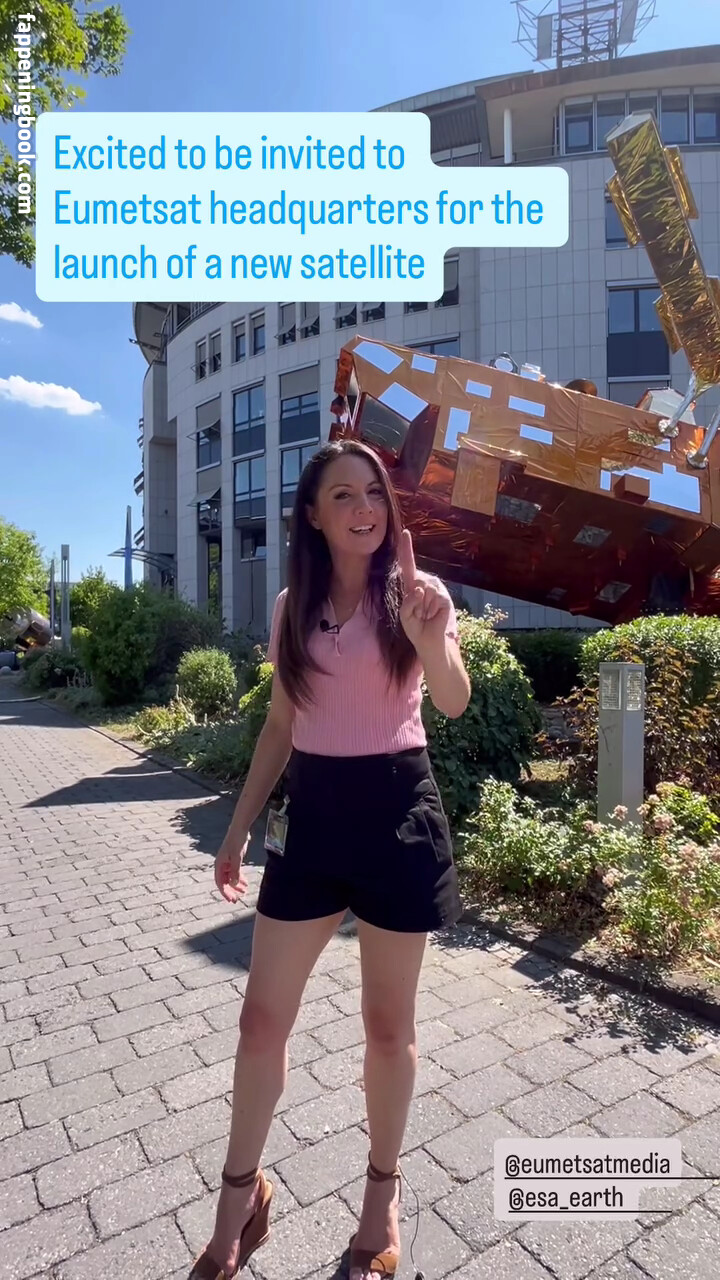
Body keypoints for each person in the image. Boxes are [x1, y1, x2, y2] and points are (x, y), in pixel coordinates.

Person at [190, 438, 471, 1280]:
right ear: (311, 515)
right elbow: (281, 725)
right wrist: (237, 830)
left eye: (373, 492)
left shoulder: (418, 594)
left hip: (398, 813)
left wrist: (429, 635)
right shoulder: (292, 606)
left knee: (387, 1029)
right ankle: (240, 1200)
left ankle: (381, 1200)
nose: (363, 508)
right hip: (311, 821)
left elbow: (452, 700)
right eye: (342, 495)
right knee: (259, 1023)